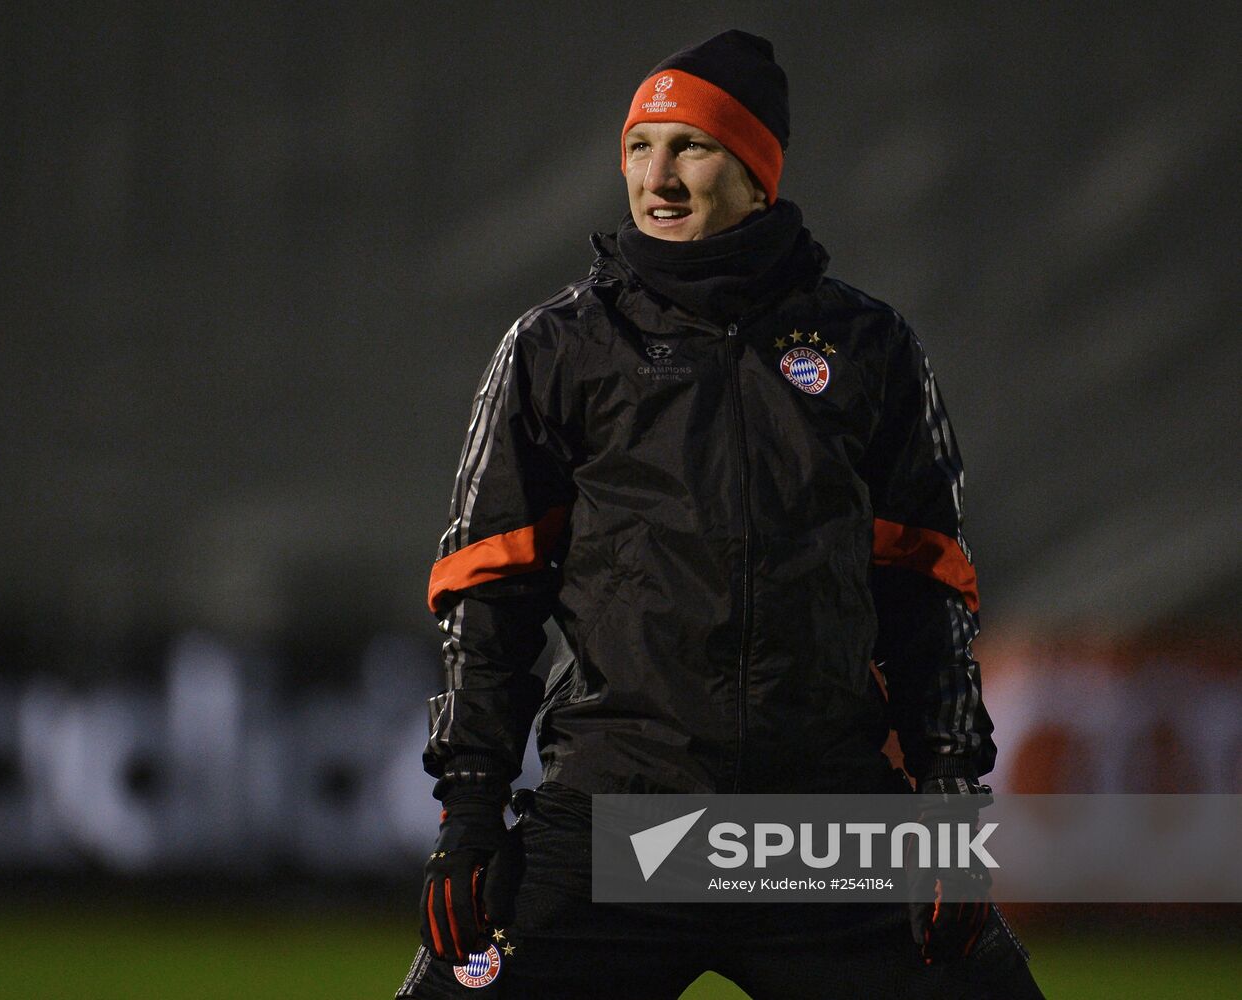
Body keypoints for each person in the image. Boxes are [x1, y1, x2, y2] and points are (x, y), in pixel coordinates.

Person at [397, 30, 1044, 999]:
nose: (655, 176)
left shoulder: (869, 346)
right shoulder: (558, 347)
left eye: (690, 147)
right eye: (638, 147)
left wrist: (950, 790)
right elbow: (489, 593)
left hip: (818, 831)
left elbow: (926, 588)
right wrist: (471, 810)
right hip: (621, 818)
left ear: (755, 173)